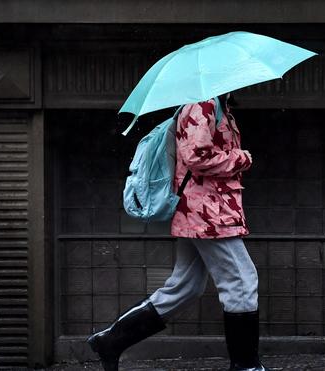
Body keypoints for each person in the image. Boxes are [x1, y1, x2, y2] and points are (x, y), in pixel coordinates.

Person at [87, 93, 268, 371]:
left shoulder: (218, 106)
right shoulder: (203, 104)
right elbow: (195, 156)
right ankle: (245, 366)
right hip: (208, 213)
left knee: (185, 286)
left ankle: (110, 341)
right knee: (242, 281)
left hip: (206, 210)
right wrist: (240, 158)